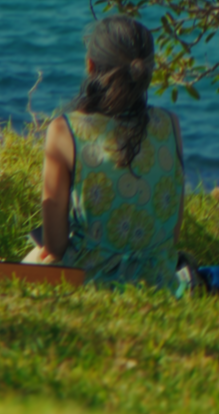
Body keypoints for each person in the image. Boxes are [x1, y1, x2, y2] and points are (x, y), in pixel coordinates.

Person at [25, 16, 187, 291]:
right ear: (148, 69)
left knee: (29, 262)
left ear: (90, 66)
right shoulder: (169, 125)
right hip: (159, 282)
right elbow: (171, 231)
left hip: (88, 280)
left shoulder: (66, 131)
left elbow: (55, 245)